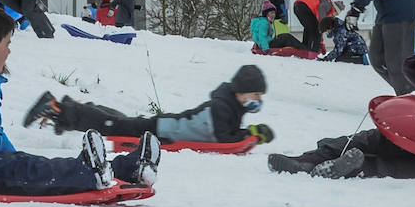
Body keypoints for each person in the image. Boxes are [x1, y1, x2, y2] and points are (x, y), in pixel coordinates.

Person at [0, 2, 160, 196]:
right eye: (7, 45)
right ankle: (91, 173)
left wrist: (14, 157)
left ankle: (128, 169)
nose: (10, 51)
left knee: (34, 167)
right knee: (32, 172)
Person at [268, 43, 415, 180]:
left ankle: (306, 161)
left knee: (366, 140)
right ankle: (358, 169)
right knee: (392, 169)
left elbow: (412, 64)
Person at [25, 65, 274, 147]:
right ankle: (57, 109)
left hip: (164, 127)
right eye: (255, 94)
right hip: (162, 130)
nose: (257, 101)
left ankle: (72, 109)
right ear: (240, 91)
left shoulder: (232, 106)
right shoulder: (223, 107)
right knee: (113, 126)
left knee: (118, 120)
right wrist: (251, 135)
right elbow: (223, 138)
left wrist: (251, 134)